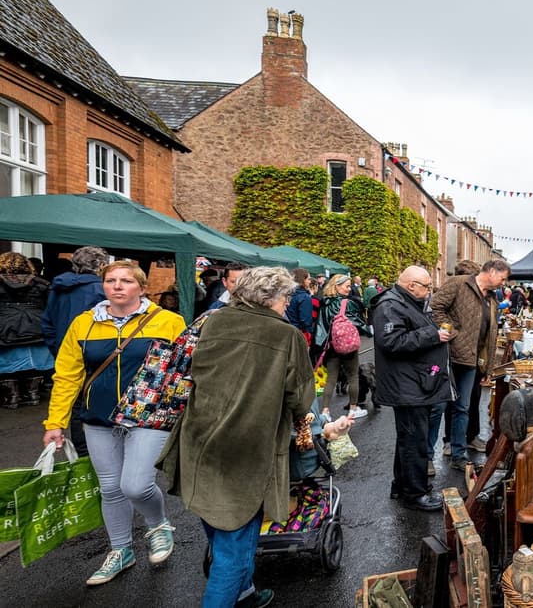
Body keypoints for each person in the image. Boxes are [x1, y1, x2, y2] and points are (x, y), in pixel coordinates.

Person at [157, 266, 314, 608]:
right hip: (246, 449)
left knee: (217, 527)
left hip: (198, 439)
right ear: (269, 297)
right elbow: (300, 398)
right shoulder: (284, 335)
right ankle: (232, 594)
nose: (288, 303)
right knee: (234, 552)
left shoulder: (214, 320)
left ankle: (246, 595)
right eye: (286, 296)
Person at [41, 260, 187, 585]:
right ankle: (120, 550)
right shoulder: (84, 324)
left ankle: (158, 524)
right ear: (103, 286)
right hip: (97, 417)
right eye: (110, 280)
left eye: (125, 281)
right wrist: (56, 423)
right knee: (110, 488)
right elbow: (66, 376)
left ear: (142, 287)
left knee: (134, 484)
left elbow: (184, 371)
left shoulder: (168, 321)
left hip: (149, 417)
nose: (117, 286)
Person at [372, 266, 453, 509]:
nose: (430, 291)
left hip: (412, 381)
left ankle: (402, 485)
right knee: (414, 440)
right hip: (406, 384)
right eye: (427, 286)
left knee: (408, 438)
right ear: (411, 286)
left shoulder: (404, 302)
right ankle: (415, 494)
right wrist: (433, 335)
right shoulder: (390, 305)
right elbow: (391, 341)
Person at [431, 259, 509, 470]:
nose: (504, 283)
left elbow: (490, 335)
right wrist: (453, 334)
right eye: (502, 278)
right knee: (438, 406)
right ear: (492, 272)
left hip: (472, 361)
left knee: (463, 408)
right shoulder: (459, 283)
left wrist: (489, 368)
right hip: (450, 356)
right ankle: (428, 457)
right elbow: (436, 307)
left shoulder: (491, 299)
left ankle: (459, 454)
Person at [1, 252, 53, 408]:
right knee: (35, 363)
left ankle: (12, 397)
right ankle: (33, 394)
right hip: (36, 326)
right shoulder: (41, 283)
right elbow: (50, 306)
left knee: (6, 363)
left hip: (5, 327)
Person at [315, 274, 371, 419]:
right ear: (337, 286)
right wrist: (368, 331)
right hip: (348, 346)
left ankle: (325, 412)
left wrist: (319, 347)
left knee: (331, 379)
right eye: (346, 286)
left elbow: (321, 327)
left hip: (331, 346)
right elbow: (358, 323)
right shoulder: (348, 303)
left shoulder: (324, 303)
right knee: (353, 376)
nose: (349, 289)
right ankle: (353, 409)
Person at [41, 246, 108, 356]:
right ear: (101, 265)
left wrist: (57, 349)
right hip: (93, 352)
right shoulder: (102, 290)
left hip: (63, 349)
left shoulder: (59, 287)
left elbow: (47, 323)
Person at [285, 267, 315, 345]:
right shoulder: (304, 297)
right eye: (308, 279)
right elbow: (305, 321)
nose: (310, 281)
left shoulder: (286, 293)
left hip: (285, 330)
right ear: (303, 280)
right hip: (298, 333)